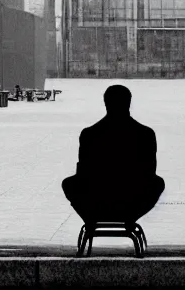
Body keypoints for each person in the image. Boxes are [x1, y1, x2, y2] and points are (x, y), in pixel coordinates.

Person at [62, 85, 165, 225]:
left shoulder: (90, 134)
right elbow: (149, 171)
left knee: (68, 183)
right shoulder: (145, 134)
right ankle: (129, 218)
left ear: (106, 103)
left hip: (96, 202)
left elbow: (83, 172)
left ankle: (92, 219)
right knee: (158, 183)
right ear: (129, 102)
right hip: (132, 202)